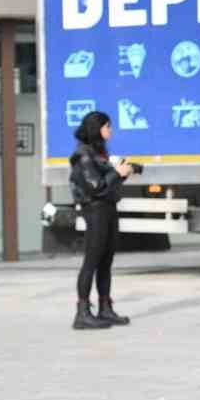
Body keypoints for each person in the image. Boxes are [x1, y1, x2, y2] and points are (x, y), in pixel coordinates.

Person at [68, 111, 133, 330]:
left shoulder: (99, 152)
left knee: (106, 261)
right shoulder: (83, 154)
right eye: (107, 126)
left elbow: (107, 183)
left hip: (108, 208)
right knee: (92, 261)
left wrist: (122, 173)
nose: (110, 130)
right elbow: (95, 186)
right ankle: (83, 312)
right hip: (95, 211)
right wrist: (117, 173)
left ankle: (105, 308)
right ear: (97, 128)